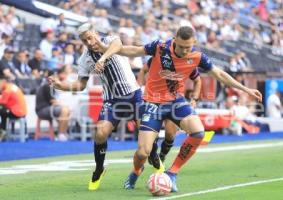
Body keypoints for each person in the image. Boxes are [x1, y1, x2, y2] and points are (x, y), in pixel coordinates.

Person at [115, 26, 262, 192]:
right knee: (143, 153)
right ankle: (136, 171)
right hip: (152, 102)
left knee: (198, 132)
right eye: (182, 46)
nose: (185, 50)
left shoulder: (197, 57)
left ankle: (172, 172)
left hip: (176, 102)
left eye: (189, 47)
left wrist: (246, 89)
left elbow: (220, 75)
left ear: (195, 42)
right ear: (175, 39)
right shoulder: (160, 47)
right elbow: (134, 50)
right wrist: (109, 50)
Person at [48, 23, 142, 191]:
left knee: (146, 132)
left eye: (90, 37)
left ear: (96, 33)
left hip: (134, 95)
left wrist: (103, 58)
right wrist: (61, 86)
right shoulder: (84, 58)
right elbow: (81, 84)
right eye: (85, 41)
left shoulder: (111, 40)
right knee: (100, 133)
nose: (89, 42)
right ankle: (99, 169)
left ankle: (155, 159)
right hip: (112, 100)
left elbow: (117, 46)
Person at [138, 59, 203, 170]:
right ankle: (153, 154)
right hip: (154, 101)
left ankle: (162, 156)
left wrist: (195, 98)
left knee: (170, 134)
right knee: (152, 136)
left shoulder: (188, 61)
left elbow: (197, 80)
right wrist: (140, 88)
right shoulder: (159, 56)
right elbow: (143, 70)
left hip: (175, 103)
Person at [35, 67, 70, 141]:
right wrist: (63, 105)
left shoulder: (52, 86)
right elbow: (53, 102)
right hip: (42, 110)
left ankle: (63, 133)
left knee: (67, 110)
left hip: (49, 108)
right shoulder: (47, 86)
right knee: (64, 110)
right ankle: (60, 134)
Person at [0, 76, 27, 141]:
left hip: (16, 112)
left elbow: (2, 102)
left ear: (3, 81)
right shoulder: (12, 86)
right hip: (23, 111)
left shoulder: (7, 91)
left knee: (2, 111)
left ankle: (2, 131)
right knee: (3, 111)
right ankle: (3, 130)